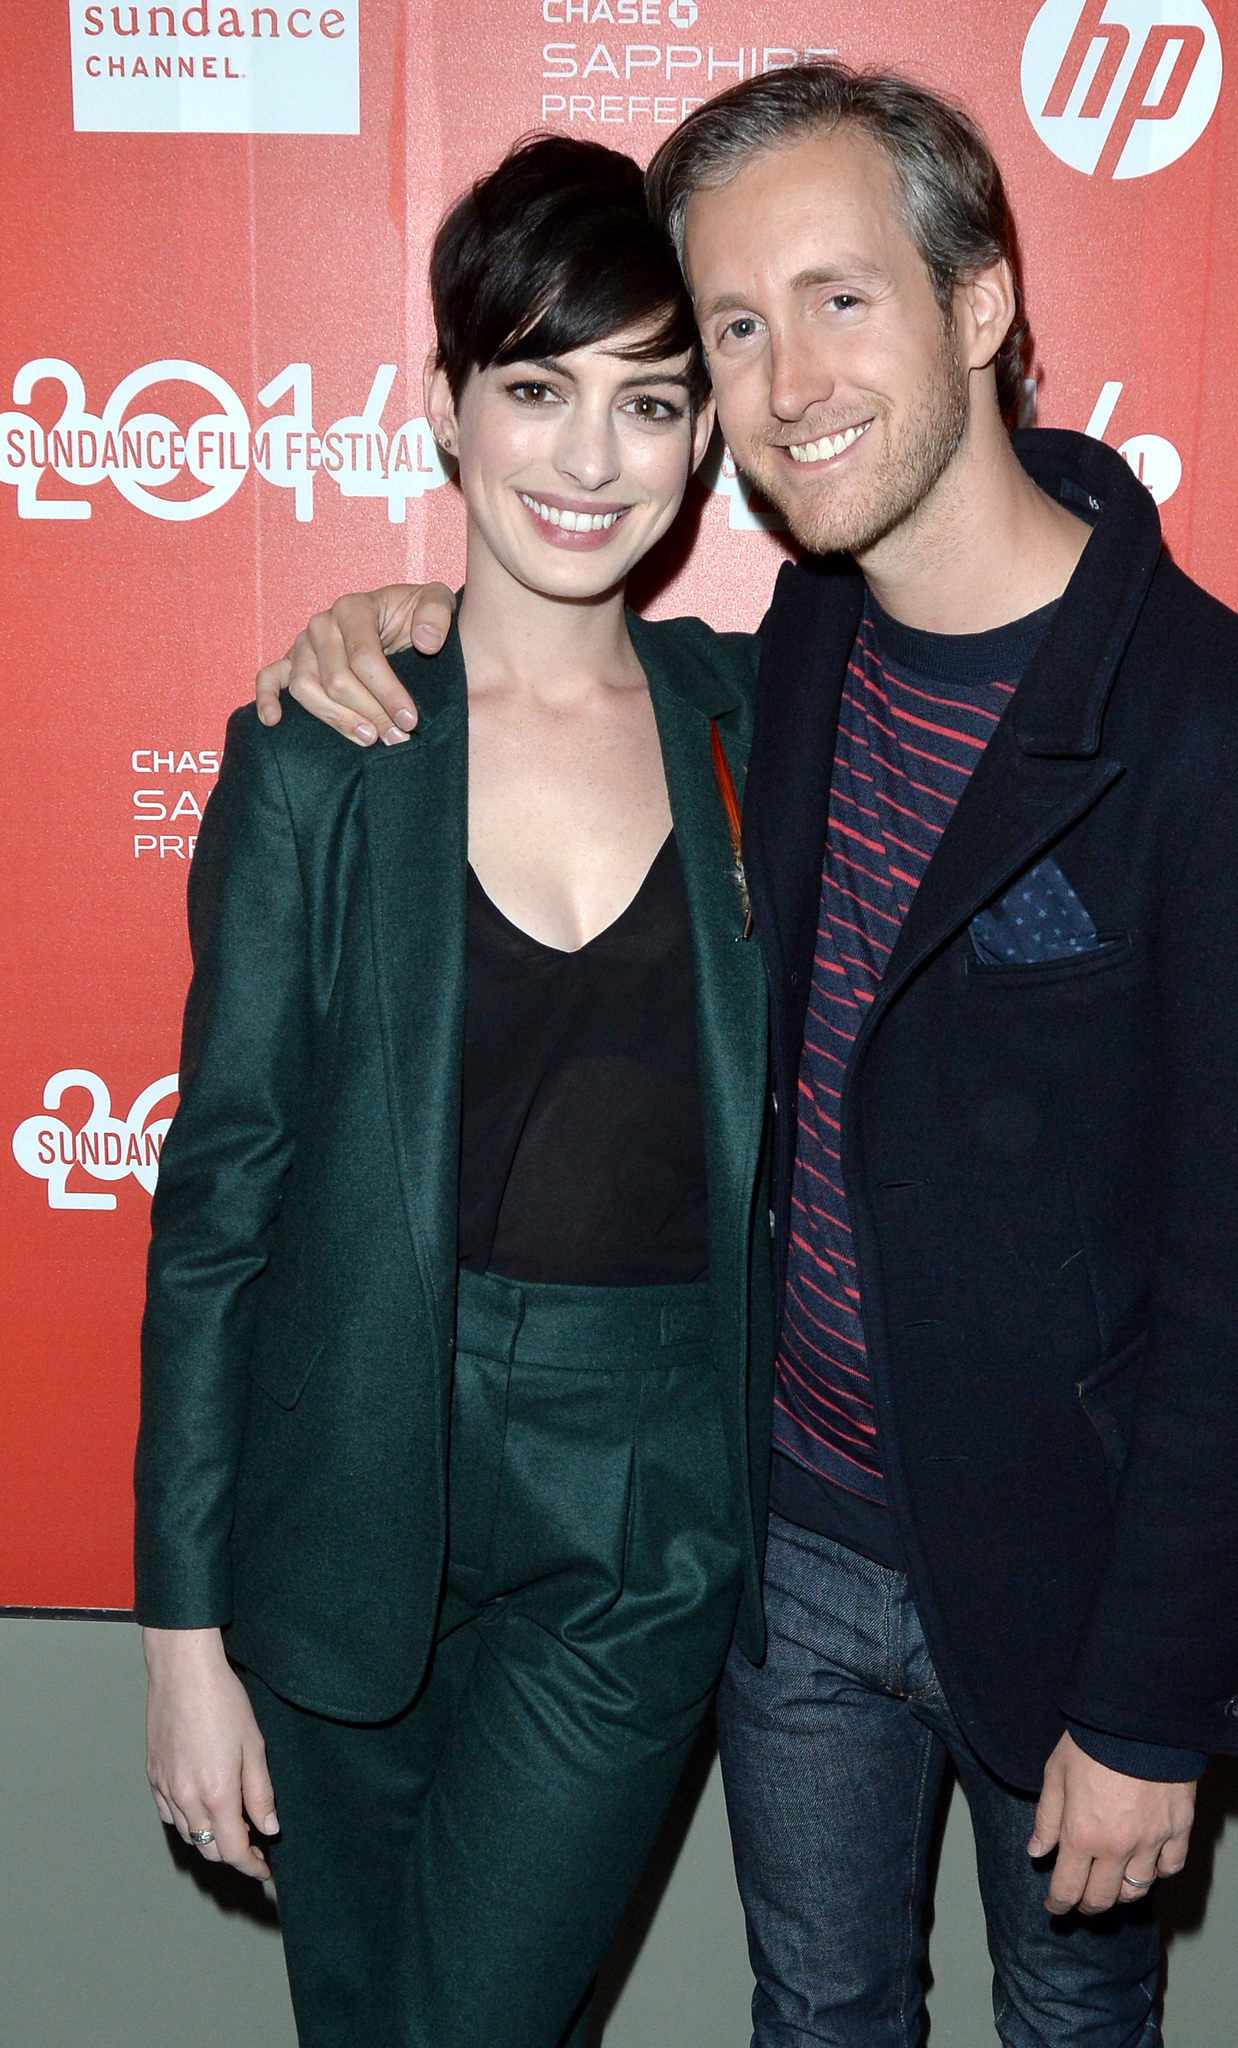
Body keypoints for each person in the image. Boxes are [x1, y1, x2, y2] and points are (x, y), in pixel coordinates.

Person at [255, 66, 1238, 2048]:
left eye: (838, 300)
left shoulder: (1237, 750)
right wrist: (398, 627)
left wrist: (1149, 1699)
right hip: (783, 1558)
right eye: (735, 329)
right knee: (820, 2020)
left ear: (977, 306)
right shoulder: (781, 664)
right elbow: (550, 674)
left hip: (1060, 1601)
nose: (786, 384)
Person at [135, 133, 776, 2048]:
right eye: (536, 389)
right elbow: (221, 1201)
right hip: (346, 1477)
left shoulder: (765, 722)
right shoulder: (327, 755)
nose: (589, 459)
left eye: (648, 400)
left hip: (643, 1498)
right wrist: (180, 1635)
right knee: (362, 2014)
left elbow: (1010, 564)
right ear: (443, 408)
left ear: (704, 439)